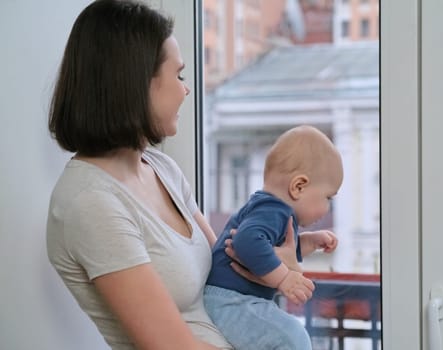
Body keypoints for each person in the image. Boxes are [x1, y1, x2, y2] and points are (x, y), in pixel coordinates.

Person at [46, 1, 312, 349]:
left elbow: (223, 269)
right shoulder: (90, 203)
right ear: (136, 83)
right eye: (179, 75)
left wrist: (279, 266)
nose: (186, 89)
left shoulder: (161, 168)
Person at [204, 125, 344, 350]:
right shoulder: (274, 210)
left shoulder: (271, 210)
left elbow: (276, 250)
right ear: (298, 187)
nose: (327, 208)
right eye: (328, 197)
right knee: (292, 337)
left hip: (233, 300)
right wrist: (284, 279)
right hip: (229, 301)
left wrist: (310, 241)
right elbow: (246, 241)